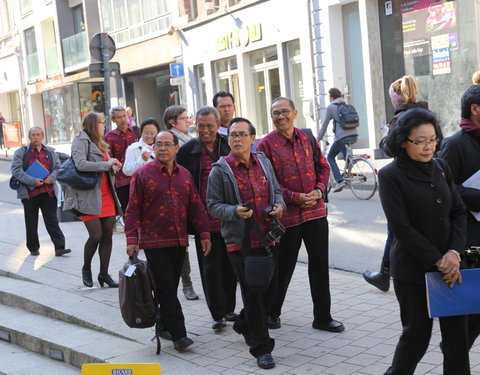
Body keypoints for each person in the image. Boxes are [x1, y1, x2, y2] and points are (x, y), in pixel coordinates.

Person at [379, 108, 469, 375]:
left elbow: (458, 211)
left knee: (457, 340)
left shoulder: (440, 167)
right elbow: (401, 228)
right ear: (403, 141)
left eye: (433, 139)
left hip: (452, 268)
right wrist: (438, 260)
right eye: (420, 141)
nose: (428, 146)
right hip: (413, 271)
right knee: (417, 337)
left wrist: (454, 252)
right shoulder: (390, 176)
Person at [256, 97, 344, 333]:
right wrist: (295, 197)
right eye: (275, 113)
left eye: (284, 111)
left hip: (316, 213)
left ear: (295, 113)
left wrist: (318, 190)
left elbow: (324, 167)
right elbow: (266, 182)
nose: (280, 116)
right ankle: (273, 313)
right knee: (283, 267)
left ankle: (323, 317)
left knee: (319, 266)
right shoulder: (265, 145)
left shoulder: (307, 137)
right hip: (288, 218)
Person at [207, 117, 285, 369]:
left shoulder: (263, 161)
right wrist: (234, 211)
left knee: (270, 292)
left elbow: (277, 191)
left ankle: (242, 324)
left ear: (253, 138)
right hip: (239, 242)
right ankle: (261, 347)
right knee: (252, 293)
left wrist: (279, 206)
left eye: (242, 134)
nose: (237, 139)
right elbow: (212, 205)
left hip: (268, 237)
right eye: (232, 135)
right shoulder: (220, 170)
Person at [125, 130, 211, 352]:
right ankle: (179, 335)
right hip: (154, 242)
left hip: (179, 241)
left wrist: (204, 233)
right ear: (153, 148)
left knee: (169, 286)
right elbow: (132, 210)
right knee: (166, 287)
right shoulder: (142, 175)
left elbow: (196, 206)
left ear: (176, 148)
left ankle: (163, 325)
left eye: (167, 144)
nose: (162, 148)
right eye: (158, 144)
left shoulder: (184, 175)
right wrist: (132, 239)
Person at [363, 75, 428, 292]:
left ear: (396, 98)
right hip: (427, 178)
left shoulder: (399, 119)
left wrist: (386, 135)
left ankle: (384, 274)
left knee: (396, 228)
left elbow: (389, 148)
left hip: (404, 179)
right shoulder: (427, 114)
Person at [176, 106, 238, 329]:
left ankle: (230, 308)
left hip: (229, 217)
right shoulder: (187, 151)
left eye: (210, 126)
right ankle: (217, 314)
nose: (205, 130)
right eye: (201, 126)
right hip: (203, 220)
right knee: (210, 266)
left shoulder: (227, 144)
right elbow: (182, 186)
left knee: (231, 265)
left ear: (218, 124)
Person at [439, 84, 480, 349]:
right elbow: (444, 188)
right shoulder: (454, 145)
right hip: (468, 238)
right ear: (475, 110)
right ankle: (455, 349)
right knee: (470, 305)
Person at [63, 112, 122, 288]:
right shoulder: (80, 140)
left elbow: (104, 165)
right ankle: (86, 268)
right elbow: (80, 164)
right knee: (96, 235)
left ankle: (104, 274)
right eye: (102, 122)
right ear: (92, 124)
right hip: (88, 195)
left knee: (108, 234)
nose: (104, 125)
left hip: (106, 194)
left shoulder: (100, 142)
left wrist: (112, 165)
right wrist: (106, 164)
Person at [11, 126, 71, 257]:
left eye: (38, 134)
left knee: (52, 221)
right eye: (33, 135)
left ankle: (59, 247)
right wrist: (32, 181)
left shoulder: (50, 151)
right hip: (29, 193)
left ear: (42, 136)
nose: (36, 137)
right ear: (29, 137)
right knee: (31, 222)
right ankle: (33, 248)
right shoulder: (21, 152)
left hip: (48, 192)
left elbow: (57, 168)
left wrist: (51, 178)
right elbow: (16, 170)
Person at [164, 105, 199, 301]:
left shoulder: (190, 140)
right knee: (181, 242)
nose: (188, 121)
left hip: (190, 195)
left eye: (188, 118)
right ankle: (186, 283)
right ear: (172, 122)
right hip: (175, 197)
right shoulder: (170, 140)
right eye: (184, 118)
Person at [317, 88, 358, 192]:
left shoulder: (331, 107)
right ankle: (350, 173)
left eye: (329, 97)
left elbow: (325, 124)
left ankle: (340, 181)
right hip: (354, 134)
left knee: (330, 157)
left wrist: (318, 138)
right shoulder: (346, 105)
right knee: (345, 153)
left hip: (342, 137)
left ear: (331, 97)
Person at [104, 106, 138, 214]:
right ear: (113, 120)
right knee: (127, 210)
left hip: (138, 177)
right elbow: (109, 158)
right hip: (122, 181)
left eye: (124, 116)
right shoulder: (109, 137)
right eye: (119, 117)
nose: (123, 119)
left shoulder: (136, 132)